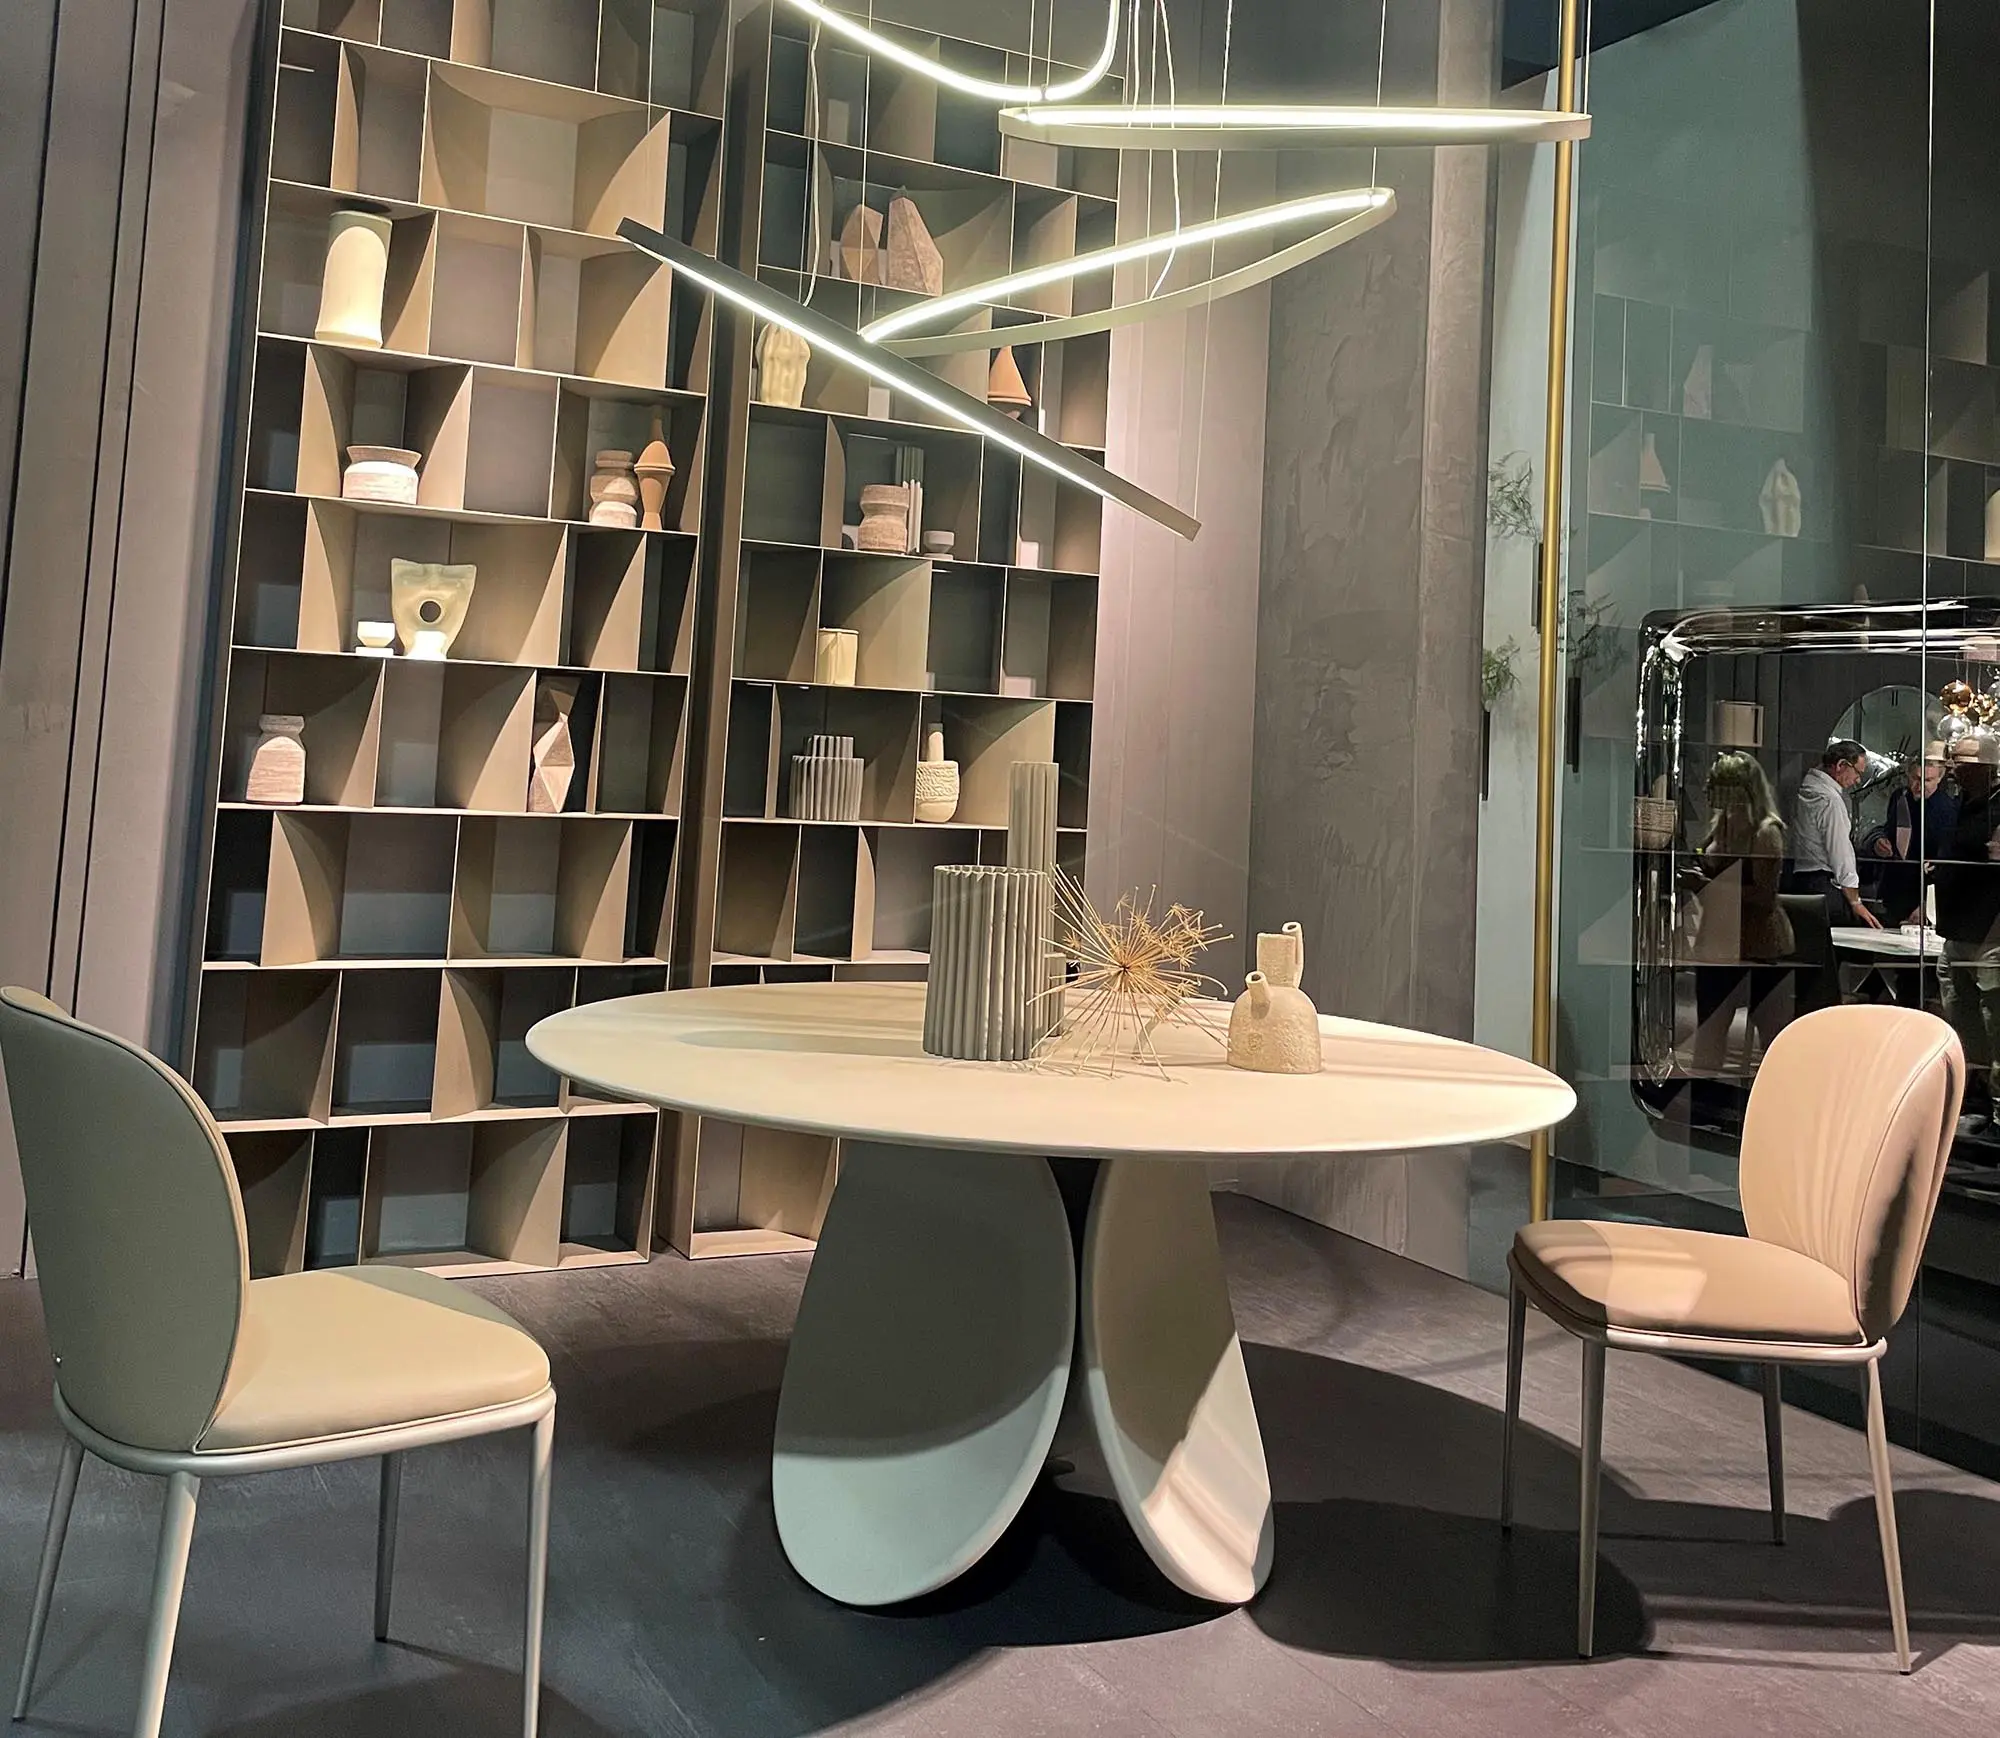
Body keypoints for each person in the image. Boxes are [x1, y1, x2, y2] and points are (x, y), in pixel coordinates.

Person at [1690, 752, 1794, 1078]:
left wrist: (1707, 885)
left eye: (1721, 788)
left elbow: (1764, 896)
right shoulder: (1722, 825)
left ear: (1741, 789)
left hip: (1759, 945)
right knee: (1708, 1036)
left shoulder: (1766, 832)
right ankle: (1703, 1099)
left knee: (1774, 1042)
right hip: (1718, 940)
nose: (1712, 795)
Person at [1934, 733, 2000, 1135]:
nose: (1954, 768)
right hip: (1958, 930)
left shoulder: (1996, 807)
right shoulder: (1963, 805)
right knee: (1962, 1016)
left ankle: (1997, 1112)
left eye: (1961, 762)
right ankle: (1973, 1100)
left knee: (1995, 1024)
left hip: (1990, 933)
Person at [1789, 738, 1882, 931]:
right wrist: (1856, 902)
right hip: (1823, 885)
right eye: (1857, 773)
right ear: (1841, 765)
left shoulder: (1805, 787)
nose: (1858, 780)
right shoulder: (1830, 800)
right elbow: (1840, 853)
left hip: (1799, 880)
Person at [1870, 745, 1958, 926]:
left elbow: (1945, 863)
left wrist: (1926, 904)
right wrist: (1878, 841)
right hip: (1894, 889)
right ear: (1908, 775)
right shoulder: (1899, 798)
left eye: (1928, 780)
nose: (1920, 786)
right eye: (1916, 778)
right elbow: (1888, 830)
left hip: (1923, 894)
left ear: (1939, 778)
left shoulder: (1947, 809)